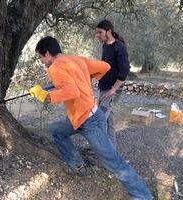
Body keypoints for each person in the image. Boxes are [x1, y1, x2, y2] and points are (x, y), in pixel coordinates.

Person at [35, 36, 153, 200]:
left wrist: (46, 96)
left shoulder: (54, 68)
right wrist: (87, 78)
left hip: (90, 122)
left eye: (41, 57)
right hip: (80, 117)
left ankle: (144, 196)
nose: (41, 61)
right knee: (56, 130)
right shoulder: (78, 60)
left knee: (113, 163)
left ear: (47, 53)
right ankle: (77, 164)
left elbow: (72, 92)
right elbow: (105, 66)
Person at [96, 19, 130, 146]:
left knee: (100, 119)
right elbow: (104, 66)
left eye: (100, 32)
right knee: (109, 120)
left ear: (108, 31)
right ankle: (112, 149)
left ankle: (103, 151)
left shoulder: (119, 47)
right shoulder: (105, 46)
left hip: (112, 90)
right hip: (104, 88)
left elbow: (124, 71)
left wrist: (113, 90)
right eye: (97, 33)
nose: (98, 35)